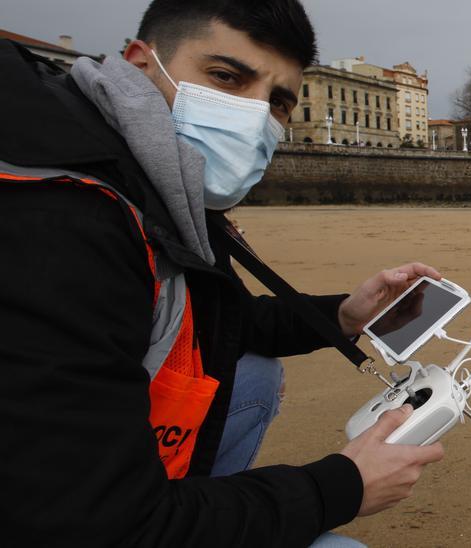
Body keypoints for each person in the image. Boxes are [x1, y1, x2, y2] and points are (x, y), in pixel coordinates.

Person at [0, 1, 446, 545]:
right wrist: (342, 487)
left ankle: (198, 495)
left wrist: (344, 316)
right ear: (141, 61)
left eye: (278, 102)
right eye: (226, 77)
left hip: (87, 488)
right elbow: (95, 521)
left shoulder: (147, 174)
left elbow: (218, 316)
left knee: (253, 370)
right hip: (78, 516)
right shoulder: (63, 217)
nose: (255, 114)